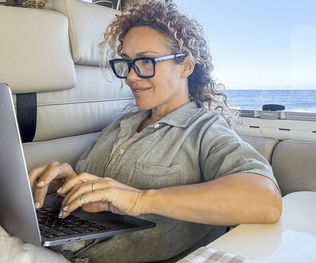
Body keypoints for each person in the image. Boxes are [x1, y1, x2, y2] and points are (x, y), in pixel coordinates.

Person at [26, 1, 282, 262]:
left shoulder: (205, 130)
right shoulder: (120, 126)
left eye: (145, 61)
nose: (131, 77)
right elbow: (97, 194)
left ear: (186, 66)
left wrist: (140, 200)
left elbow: (265, 199)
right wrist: (69, 183)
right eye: (127, 63)